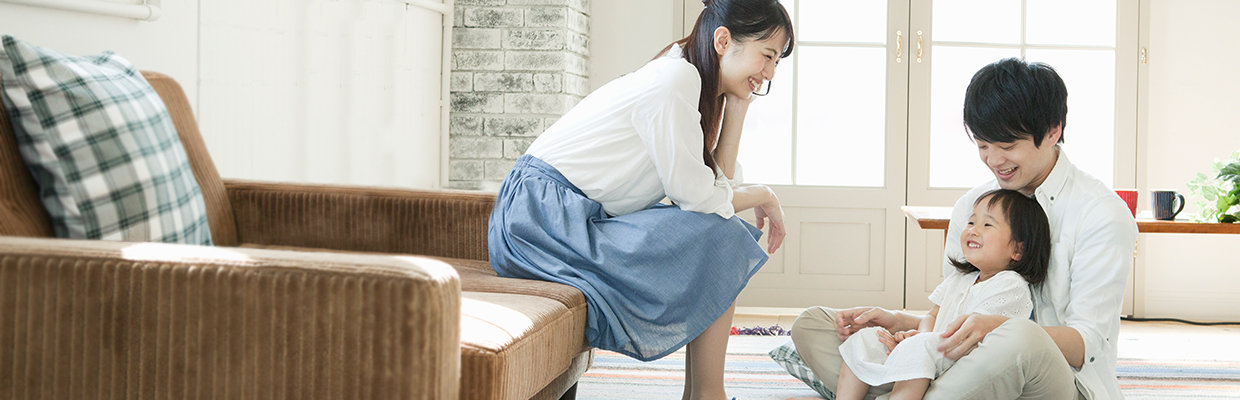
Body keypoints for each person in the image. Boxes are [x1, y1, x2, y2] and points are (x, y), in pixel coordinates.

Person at [486, 0, 794, 398]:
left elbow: (712, 186)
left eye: (776, 63)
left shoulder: (687, 77)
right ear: (723, 40)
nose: (768, 73)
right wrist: (764, 195)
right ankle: (706, 395)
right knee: (723, 234)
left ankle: (704, 394)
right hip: (540, 220)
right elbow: (699, 197)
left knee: (720, 231)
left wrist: (736, 109)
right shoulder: (676, 78)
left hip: (568, 219)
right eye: (767, 56)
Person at [789, 57, 1138, 400]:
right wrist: (899, 323)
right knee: (813, 325)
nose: (994, 160)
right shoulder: (972, 207)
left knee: (1021, 339)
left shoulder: (1101, 214)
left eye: (1007, 146)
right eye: (983, 146)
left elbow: (1086, 343)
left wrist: (996, 330)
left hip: (1058, 382)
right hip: (960, 369)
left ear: (1052, 132)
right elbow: (952, 315)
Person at [836, 189, 1051, 400]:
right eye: (971, 222)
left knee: (917, 349)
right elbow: (932, 316)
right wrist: (920, 338)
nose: (973, 230)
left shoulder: (1010, 284)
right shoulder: (960, 278)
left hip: (963, 362)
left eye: (987, 224)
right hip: (933, 352)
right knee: (867, 337)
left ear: (1018, 250)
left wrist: (919, 345)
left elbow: (974, 337)